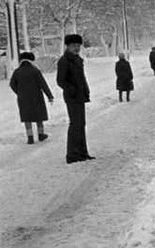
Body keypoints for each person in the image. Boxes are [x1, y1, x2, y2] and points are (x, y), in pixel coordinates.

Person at [56, 33, 94, 163]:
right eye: (74, 46)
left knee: (81, 124)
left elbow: (81, 78)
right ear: (68, 46)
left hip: (80, 96)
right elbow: (60, 81)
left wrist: (85, 90)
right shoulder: (64, 61)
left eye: (78, 46)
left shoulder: (77, 60)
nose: (77, 48)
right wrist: (72, 89)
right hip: (72, 97)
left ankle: (82, 152)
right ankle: (72, 154)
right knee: (75, 125)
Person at [8, 51, 54, 144]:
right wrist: (49, 96)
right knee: (39, 116)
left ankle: (30, 137)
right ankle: (41, 135)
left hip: (23, 99)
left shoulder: (17, 72)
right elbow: (43, 84)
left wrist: (19, 92)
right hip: (36, 96)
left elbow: (12, 84)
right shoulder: (35, 70)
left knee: (27, 117)